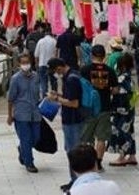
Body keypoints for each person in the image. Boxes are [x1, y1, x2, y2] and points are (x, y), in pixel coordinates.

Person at [47, 57, 84, 192]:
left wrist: (56, 99)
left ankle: (77, 181)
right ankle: (73, 179)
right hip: (70, 119)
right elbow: (69, 96)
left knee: (74, 152)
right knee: (70, 150)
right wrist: (58, 94)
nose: (56, 74)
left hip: (73, 120)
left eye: (55, 71)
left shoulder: (71, 79)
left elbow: (74, 103)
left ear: (59, 68)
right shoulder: (70, 76)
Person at [80, 45, 118, 172]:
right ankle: (98, 162)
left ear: (92, 55)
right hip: (105, 106)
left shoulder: (85, 70)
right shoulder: (110, 71)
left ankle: (87, 162)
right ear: (104, 56)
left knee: (86, 138)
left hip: (88, 108)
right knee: (101, 137)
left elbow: (80, 88)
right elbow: (116, 90)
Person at [7, 54, 41, 173]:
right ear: (19, 64)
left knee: (36, 137)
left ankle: (22, 150)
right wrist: (10, 115)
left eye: (27, 62)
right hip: (21, 113)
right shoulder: (15, 79)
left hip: (35, 112)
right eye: (23, 62)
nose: (26, 64)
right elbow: (11, 98)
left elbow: (39, 93)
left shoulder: (36, 76)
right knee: (26, 138)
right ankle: (29, 162)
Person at [107, 53, 138, 167]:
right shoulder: (132, 77)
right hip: (130, 107)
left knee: (120, 131)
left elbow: (115, 91)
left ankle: (122, 156)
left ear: (122, 65)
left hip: (120, 109)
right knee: (129, 131)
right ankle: (132, 155)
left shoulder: (121, 78)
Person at [35, 23, 57, 98]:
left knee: (43, 83)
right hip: (52, 65)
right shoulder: (54, 41)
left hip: (42, 64)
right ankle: (54, 98)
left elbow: (36, 55)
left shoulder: (40, 41)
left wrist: (36, 65)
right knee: (53, 82)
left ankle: (45, 99)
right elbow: (56, 54)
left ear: (44, 33)